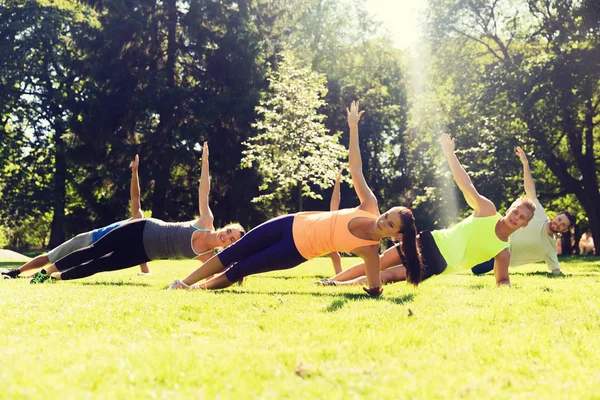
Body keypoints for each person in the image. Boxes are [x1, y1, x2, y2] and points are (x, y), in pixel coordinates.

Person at [167, 101, 424, 296]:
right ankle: (184, 282)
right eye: (386, 215)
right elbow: (356, 169)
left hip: (294, 251)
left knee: (241, 268)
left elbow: (373, 283)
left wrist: (375, 290)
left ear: (395, 235)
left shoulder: (370, 252)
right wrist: (353, 128)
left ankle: (196, 290)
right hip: (289, 223)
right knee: (235, 250)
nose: (382, 221)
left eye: (389, 225)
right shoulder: (369, 206)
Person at [319, 134, 537, 288]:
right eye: (516, 211)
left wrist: (505, 289)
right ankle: (331, 281)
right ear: (509, 209)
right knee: (382, 259)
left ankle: (339, 286)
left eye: (521, 218)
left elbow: (502, 280)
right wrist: (451, 155)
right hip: (432, 240)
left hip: (440, 263)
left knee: (393, 275)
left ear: (524, 224)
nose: (515, 217)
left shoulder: (503, 250)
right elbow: (466, 185)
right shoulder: (488, 211)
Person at [29, 142, 245, 283]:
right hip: (142, 229)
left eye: (230, 239)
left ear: (230, 245)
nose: (225, 235)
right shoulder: (206, 222)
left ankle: (57, 278)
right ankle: (45, 272)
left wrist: (241, 266)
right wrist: (205, 162)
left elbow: (218, 275)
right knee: (94, 250)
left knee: (102, 265)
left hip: (143, 253)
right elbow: (204, 191)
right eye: (228, 231)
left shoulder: (206, 256)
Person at [2, 155, 150, 279]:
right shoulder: (139, 218)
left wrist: (145, 274)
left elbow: (143, 264)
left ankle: (33, 277)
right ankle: (16, 272)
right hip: (89, 239)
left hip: (96, 251)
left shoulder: (140, 242)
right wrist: (134, 173)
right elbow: (135, 198)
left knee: (64, 265)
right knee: (52, 256)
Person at [471, 147, 575, 275]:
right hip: (496, 234)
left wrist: (560, 275)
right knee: (469, 239)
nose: (558, 224)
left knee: (475, 269)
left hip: (499, 258)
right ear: (556, 216)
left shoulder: (550, 248)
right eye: (560, 219)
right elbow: (530, 190)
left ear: (564, 230)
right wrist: (525, 164)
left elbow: (555, 269)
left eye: (563, 225)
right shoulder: (540, 214)